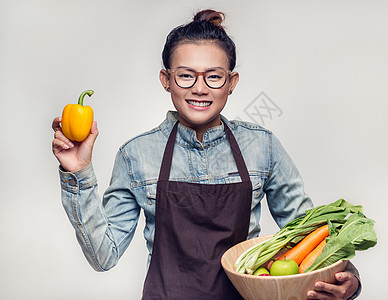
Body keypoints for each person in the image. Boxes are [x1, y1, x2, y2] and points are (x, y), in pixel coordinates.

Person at [52, 9, 361, 300]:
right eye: (186, 75)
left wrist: (349, 278)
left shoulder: (262, 147)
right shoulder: (137, 155)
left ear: (231, 83)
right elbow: (103, 256)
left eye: (213, 76)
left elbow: (309, 236)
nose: (200, 88)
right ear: (166, 80)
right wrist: (78, 172)